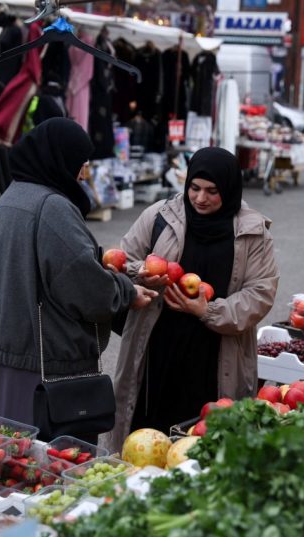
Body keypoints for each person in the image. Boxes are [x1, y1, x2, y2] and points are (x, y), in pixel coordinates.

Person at [0, 118, 157, 438]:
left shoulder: (7, 202)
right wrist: (126, 292)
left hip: (5, 362)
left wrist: (123, 274)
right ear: (60, 160)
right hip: (47, 372)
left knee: (5, 465)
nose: (82, 175)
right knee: (51, 471)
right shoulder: (53, 208)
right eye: (81, 165)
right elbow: (86, 288)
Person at [103, 147, 279, 450]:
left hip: (215, 352)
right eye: (194, 188)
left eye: (212, 191)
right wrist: (142, 275)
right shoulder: (159, 216)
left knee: (202, 438)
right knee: (147, 433)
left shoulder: (253, 233)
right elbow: (124, 260)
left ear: (229, 189)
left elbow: (260, 293)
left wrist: (208, 310)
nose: (200, 198)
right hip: (157, 347)